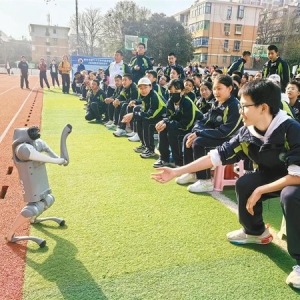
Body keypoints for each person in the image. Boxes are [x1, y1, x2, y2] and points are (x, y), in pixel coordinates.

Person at [152, 79, 300, 289]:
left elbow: (297, 176)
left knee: (290, 196)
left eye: (244, 106)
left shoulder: (291, 129)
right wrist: (177, 171)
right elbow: (216, 156)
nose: (240, 111)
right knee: (245, 183)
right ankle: (256, 233)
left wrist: (261, 190)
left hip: (297, 179)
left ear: (263, 107)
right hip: (275, 175)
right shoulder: (247, 132)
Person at [176, 75, 242, 193]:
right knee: (188, 136)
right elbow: (202, 120)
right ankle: (192, 173)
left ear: (230, 89)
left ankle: (205, 180)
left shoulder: (234, 106)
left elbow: (226, 132)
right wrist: (196, 131)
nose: (216, 92)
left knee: (200, 143)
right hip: (218, 136)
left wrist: (200, 134)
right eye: (215, 89)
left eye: (219, 88)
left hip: (231, 142)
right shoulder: (217, 103)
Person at [153, 79, 202, 168]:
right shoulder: (170, 102)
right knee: (163, 129)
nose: (173, 94)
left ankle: (179, 162)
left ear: (182, 92)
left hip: (193, 128)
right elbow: (169, 117)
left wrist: (168, 123)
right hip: (179, 125)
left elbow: (186, 125)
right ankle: (164, 158)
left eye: (176, 91)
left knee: (173, 132)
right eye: (170, 91)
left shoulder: (187, 102)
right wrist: (164, 122)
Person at [122, 77, 167, 158]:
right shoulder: (147, 94)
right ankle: (144, 144)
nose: (143, 90)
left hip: (164, 118)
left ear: (150, 87)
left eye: (145, 87)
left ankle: (150, 149)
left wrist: (133, 114)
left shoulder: (154, 97)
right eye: (141, 88)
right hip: (155, 115)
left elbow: (150, 115)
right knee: (140, 119)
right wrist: (135, 101)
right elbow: (142, 100)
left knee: (147, 123)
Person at [104, 50, 131, 125]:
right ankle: (110, 119)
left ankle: (117, 122)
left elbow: (129, 75)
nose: (116, 57)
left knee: (116, 102)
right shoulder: (111, 64)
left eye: (117, 55)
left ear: (122, 57)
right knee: (109, 102)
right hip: (111, 86)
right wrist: (105, 80)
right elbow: (106, 73)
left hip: (121, 87)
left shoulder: (124, 65)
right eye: (115, 55)